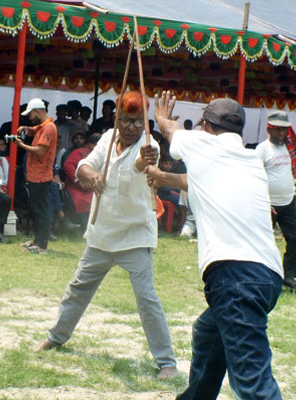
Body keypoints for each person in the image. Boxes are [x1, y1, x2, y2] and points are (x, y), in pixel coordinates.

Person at [147, 93, 284, 399]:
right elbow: (196, 181)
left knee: (253, 384)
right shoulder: (249, 159)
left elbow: (172, 132)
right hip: (267, 276)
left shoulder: (202, 144)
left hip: (235, 276)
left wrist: (162, 119)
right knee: (208, 333)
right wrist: (160, 177)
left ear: (206, 127)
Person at [34, 91, 180, 380]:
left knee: (146, 298)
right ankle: (56, 337)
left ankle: (167, 362)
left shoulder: (150, 147)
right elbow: (85, 164)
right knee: (78, 287)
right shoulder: (108, 137)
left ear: (145, 122)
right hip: (102, 233)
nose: (130, 129)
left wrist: (142, 161)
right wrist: (89, 176)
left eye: (137, 122)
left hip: (135, 235)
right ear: (116, 118)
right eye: (125, 121)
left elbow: (136, 170)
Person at [256, 111, 296, 292]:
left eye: (283, 130)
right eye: (277, 130)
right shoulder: (262, 149)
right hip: (267, 204)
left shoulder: (290, 147)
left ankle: (289, 276)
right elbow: (255, 177)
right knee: (264, 243)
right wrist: (264, 201)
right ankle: (262, 278)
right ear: (269, 129)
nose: (280, 134)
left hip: (288, 202)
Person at [15, 98, 57, 254]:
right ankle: (37, 240)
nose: (29, 117)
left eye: (31, 113)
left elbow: (40, 150)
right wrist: (26, 128)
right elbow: (35, 129)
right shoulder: (43, 126)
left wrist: (22, 145)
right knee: (37, 209)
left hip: (41, 175)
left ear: (38, 111)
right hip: (36, 175)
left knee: (42, 210)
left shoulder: (48, 128)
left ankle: (42, 245)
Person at [62, 133, 99, 226]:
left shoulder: (101, 155)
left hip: (93, 187)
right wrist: (78, 180)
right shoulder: (80, 152)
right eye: (95, 144)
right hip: (76, 187)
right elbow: (68, 165)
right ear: (88, 144)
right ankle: (81, 227)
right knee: (80, 200)